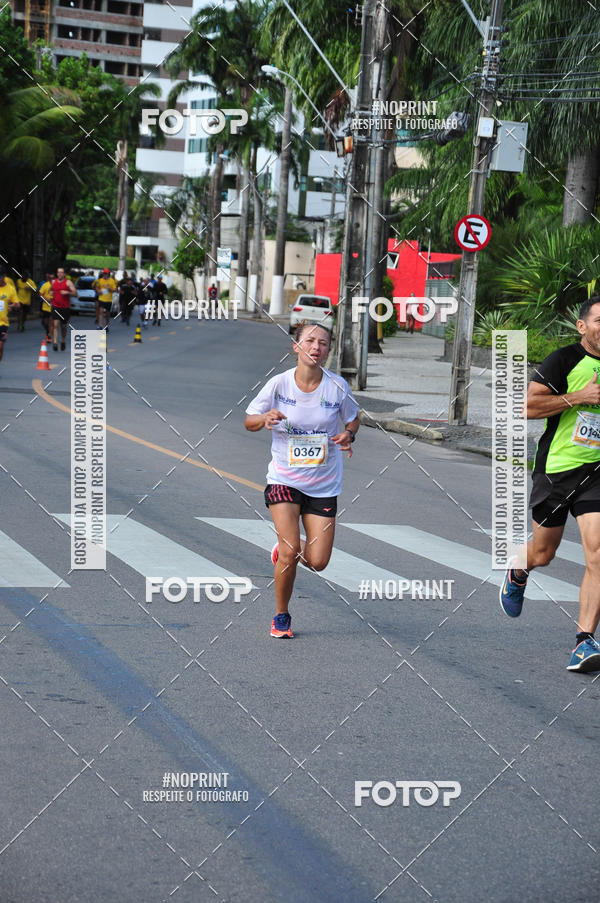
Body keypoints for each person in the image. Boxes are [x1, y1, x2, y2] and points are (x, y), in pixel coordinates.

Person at [500, 296, 600, 672]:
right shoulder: (563, 360)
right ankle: (519, 569)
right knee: (543, 553)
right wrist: (580, 397)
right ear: (582, 326)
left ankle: (583, 641)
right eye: (599, 321)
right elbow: (526, 407)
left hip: (596, 474)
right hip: (557, 471)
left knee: (598, 554)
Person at [244, 322, 359, 637]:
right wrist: (264, 418)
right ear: (296, 347)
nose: (316, 347)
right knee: (291, 548)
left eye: (323, 343)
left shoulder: (336, 387)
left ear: (328, 351)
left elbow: (353, 418)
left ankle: (285, 550)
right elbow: (248, 420)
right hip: (284, 478)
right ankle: (281, 615)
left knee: (318, 562)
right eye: (309, 340)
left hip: (323, 483)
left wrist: (348, 434)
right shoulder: (279, 385)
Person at [51, 266, 76, 351]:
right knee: (55, 325)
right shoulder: (53, 282)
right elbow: (51, 291)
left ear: (64, 274)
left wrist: (67, 292)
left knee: (63, 326)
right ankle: (55, 342)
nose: (60, 274)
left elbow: (75, 294)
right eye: (58, 272)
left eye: (61, 272)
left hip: (65, 308)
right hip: (55, 306)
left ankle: (63, 340)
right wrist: (50, 295)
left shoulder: (68, 282)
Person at [0, 267, 21, 366]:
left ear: (4, 276)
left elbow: (17, 303)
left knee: (0, 346)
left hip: (3, 322)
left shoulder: (10, 289)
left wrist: (12, 306)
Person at [38, 271, 54, 341]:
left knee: (51, 322)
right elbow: (40, 294)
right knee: (45, 323)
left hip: (54, 307)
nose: (51, 279)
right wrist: (46, 299)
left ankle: (50, 335)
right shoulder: (45, 285)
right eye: (50, 278)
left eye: (53, 278)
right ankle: (48, 332)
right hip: (45, 307)